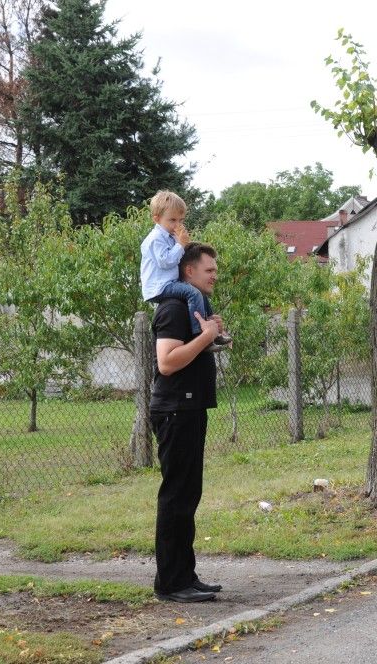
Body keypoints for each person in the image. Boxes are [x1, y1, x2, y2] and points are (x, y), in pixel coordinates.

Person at [151, 242, 225, 603]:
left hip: (190, 410)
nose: (214, 276)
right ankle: (170, 583)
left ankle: (185, 576)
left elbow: (191, 351)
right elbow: (167, 362)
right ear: (189, 271)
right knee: (177, 497)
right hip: (175, 411)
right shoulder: (173, 308)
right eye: (209, 270)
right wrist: (206, 338)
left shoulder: (191, 308)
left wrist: (213, 339)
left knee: (188, 495)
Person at [141, 191, 231, 351]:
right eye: (172, 220)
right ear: (156, 218)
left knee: (199, 293)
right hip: (160, 286)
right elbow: (166, 262)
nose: (178, 225)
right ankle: (200, 335)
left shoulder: (169, 236)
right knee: (193, 293)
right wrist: (180, 244)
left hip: (170, 282)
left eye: (181, 220)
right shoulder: (155, 239)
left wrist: (182, 243)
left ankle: (214, 330)